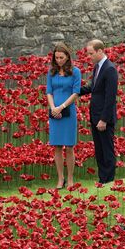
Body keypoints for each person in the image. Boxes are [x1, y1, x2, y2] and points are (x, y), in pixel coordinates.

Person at [79, 39, 118, 184]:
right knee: (99, 150)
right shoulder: (98, 67)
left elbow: (110, 97)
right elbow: (93, 87)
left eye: (91, 53)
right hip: (95, 116)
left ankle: (109, 181)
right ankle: (102, 179)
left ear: (100, 51)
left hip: (103, 119)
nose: (89, 57)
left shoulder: (110, 69)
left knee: (107, 150)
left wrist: (104, 119)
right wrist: (75, 90)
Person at [46, 42, 81, 189]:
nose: (59, 60)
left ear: (67, 57)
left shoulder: (75, 72)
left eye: (61, 57)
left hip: (68, 111)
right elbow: (49, 91)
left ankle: (70, 178)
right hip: (54, 112)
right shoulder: (51, 72)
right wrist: (53, 107)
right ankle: (60, 179)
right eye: (56, 58)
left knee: (69, 147)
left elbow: (76, 92)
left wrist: (62, 106)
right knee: (57, 147)